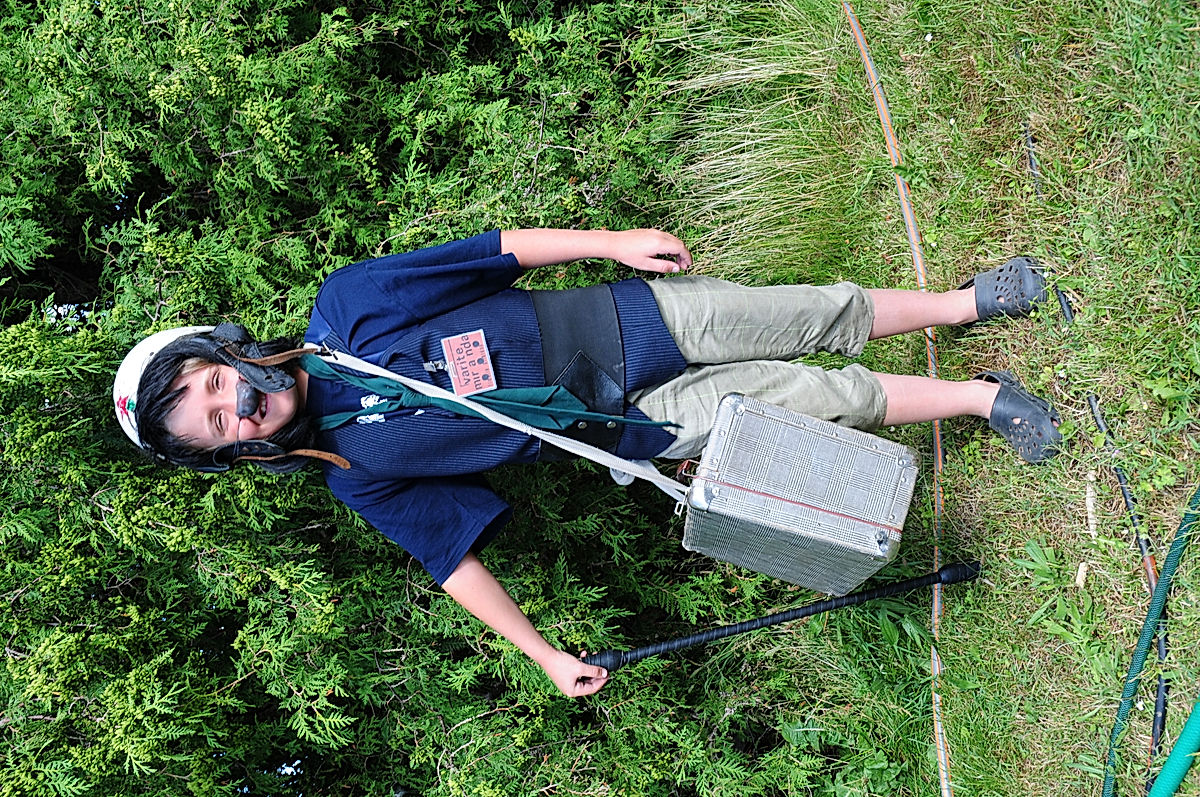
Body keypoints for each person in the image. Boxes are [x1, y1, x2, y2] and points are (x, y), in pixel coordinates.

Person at [113, 228, 1061, 697]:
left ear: (224, 354)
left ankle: (963, 303)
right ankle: (984, 397)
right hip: (625, 426)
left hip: (622, 322)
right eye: (216, 430)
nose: (232, 410)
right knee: (825, 401)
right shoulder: (355, 471)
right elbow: (452, 563)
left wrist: (609, 244)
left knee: (810, 313)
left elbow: (494, 251)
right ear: (233, 453)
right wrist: (543, 655)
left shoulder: (351, 307)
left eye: (210, 389)